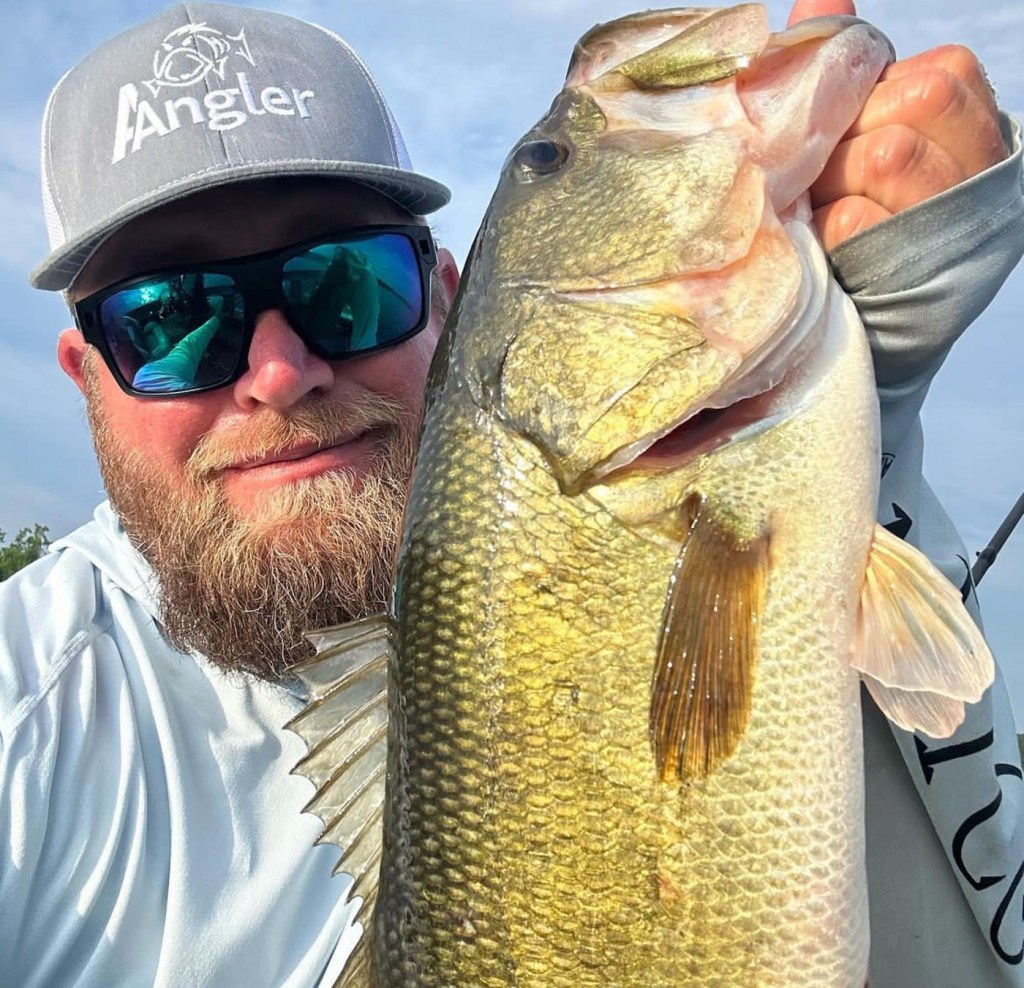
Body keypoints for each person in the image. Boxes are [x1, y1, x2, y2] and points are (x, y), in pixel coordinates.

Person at [0, 1, 1020, 986]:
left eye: (345, 283)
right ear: (87, 378)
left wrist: (874, 456)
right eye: (169, 319)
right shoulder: (22, 712)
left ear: (447, 301)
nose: (279, 372)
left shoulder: (760, 475)